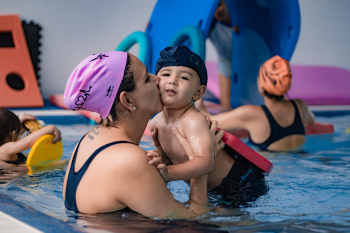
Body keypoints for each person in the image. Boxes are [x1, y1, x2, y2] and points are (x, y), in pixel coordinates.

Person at [62, 51, 224, 219]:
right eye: (147, 78)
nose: (158, 79)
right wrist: (200, 171)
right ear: (128, 101)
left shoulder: (88, 140)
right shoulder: (131, 161)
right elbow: (194, 221)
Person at [148, 45, 268, 205]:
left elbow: (205, 163)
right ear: (156, 83)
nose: (173, 80)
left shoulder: (192, 120)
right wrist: (163, 161)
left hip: (241, 181)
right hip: (211, 189)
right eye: (166, 74)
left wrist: (167, 172)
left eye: (183, 77)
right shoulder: (155, 123)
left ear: (198, 93)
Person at [196, 55, 315, 151]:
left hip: (272, 174)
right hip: (300, 158)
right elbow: (311, 120)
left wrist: (198, 96)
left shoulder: (252, 114)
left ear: (261, 85)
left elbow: (208, 121)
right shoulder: (300, 106)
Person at [209, 0, 237, 109]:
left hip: (250, 65)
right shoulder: (211, 22)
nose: (216, 11)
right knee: (226, 108)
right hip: (226, 65)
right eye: (213, 7)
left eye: (219, 5)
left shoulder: (244, 18)